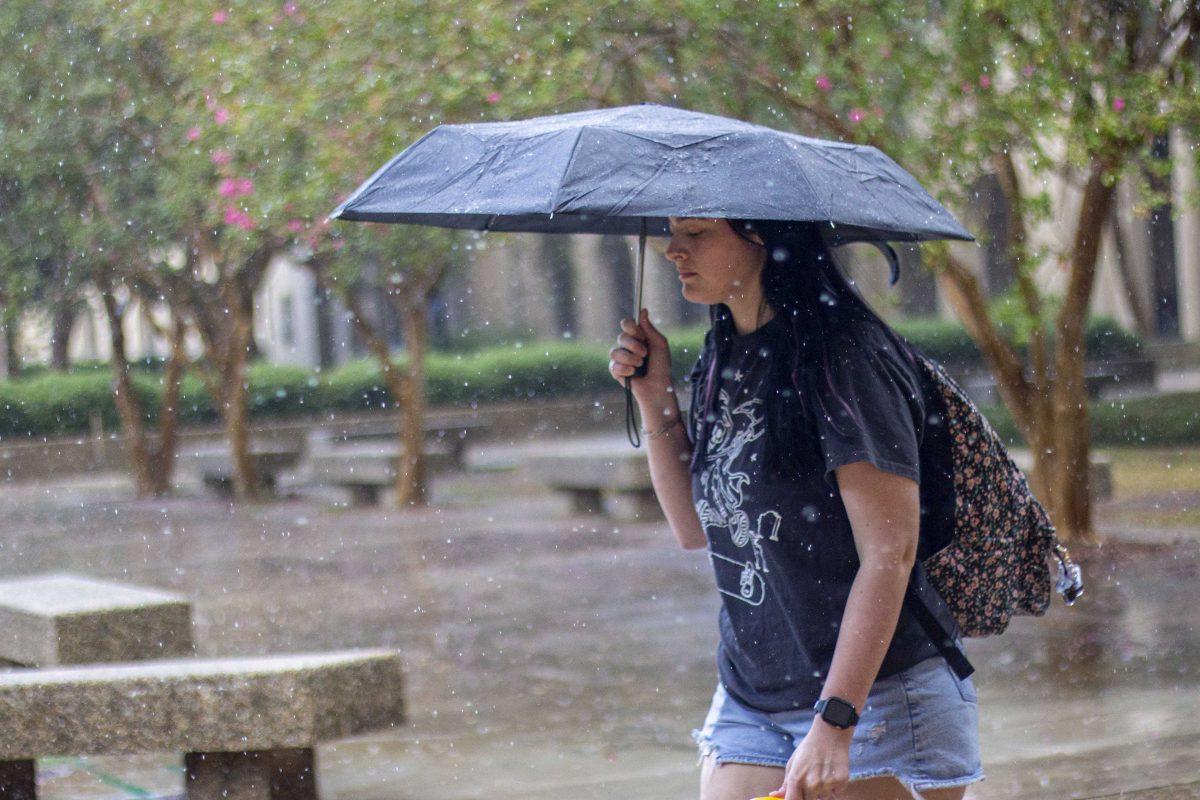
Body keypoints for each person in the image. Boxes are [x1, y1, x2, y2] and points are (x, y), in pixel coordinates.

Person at [607, 217, 983, 800]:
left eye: (697, 233)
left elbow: (890, 553)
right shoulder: (724, 352)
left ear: (760, 235)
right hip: (754, 693)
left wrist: (836, 722)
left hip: (876, 693)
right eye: (673, 232)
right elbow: (692, 528)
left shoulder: (844, 361)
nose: (672, 249)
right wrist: (655, 396)